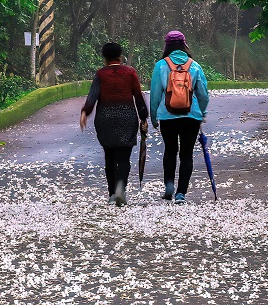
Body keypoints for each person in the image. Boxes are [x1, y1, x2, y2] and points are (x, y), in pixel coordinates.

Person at [80, 42, 147, 206]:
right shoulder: (130, 72)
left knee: (109, 157)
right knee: (123, 158)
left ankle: (112, 194)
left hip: (105, 119)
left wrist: (85, 112)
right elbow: (138, 96)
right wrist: (143, 117)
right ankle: (120, 190)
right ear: (120, 56)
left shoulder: (101, 74)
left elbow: (93, 96)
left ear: (105, 57)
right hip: (127, 118)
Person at [149, 30, 210, 204]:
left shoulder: (161, 65)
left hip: (167, 116)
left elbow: (155, 95)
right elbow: (203, 94)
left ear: (166, 45)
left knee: (170, 151)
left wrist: (154, 117)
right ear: (184, 45)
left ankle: (169, 187)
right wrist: (202, 112)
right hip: (191, 116)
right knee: (186, 154)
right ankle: (181, 193)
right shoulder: (194, 65)